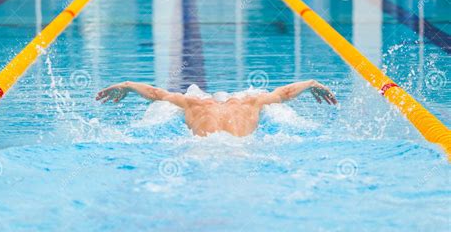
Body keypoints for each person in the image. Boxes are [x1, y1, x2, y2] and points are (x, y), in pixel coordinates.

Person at [96, 80, 337, 137]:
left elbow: (156, 94)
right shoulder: (250, 102)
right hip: (242, 151)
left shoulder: (194, 104)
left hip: (200, 149)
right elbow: (283, 94)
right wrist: (311, 84)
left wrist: (126, 86)